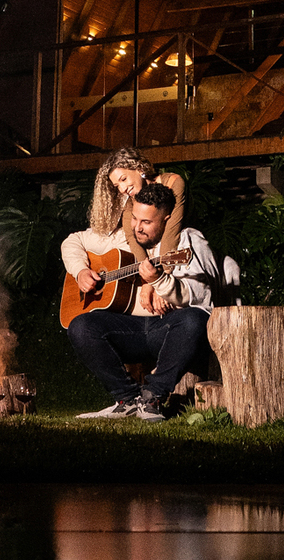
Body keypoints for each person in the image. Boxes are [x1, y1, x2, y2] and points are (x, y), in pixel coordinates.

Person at [62, 179, 219, 422]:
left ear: (166, 219)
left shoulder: (187, 241)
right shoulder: (126, 238)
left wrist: (158, 281)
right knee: (81, 326)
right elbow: (72, 241)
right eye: (134, 218)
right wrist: (81, 270)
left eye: (146, 222)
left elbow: (199, 297)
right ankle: (127, 398)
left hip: (168, 330)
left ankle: (152, 397)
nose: (137, 227)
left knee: (194, 319)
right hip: (132, 328)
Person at [87, 146, 185, 270]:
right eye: (117, 186)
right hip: (157, 263)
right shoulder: (130, 202)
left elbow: (171, 232)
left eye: (123, 179)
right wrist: (146, 270)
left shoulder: (173, 183)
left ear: (139, 168)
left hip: (183, 251)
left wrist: (164, 272)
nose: (122, 189)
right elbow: (132, 238)